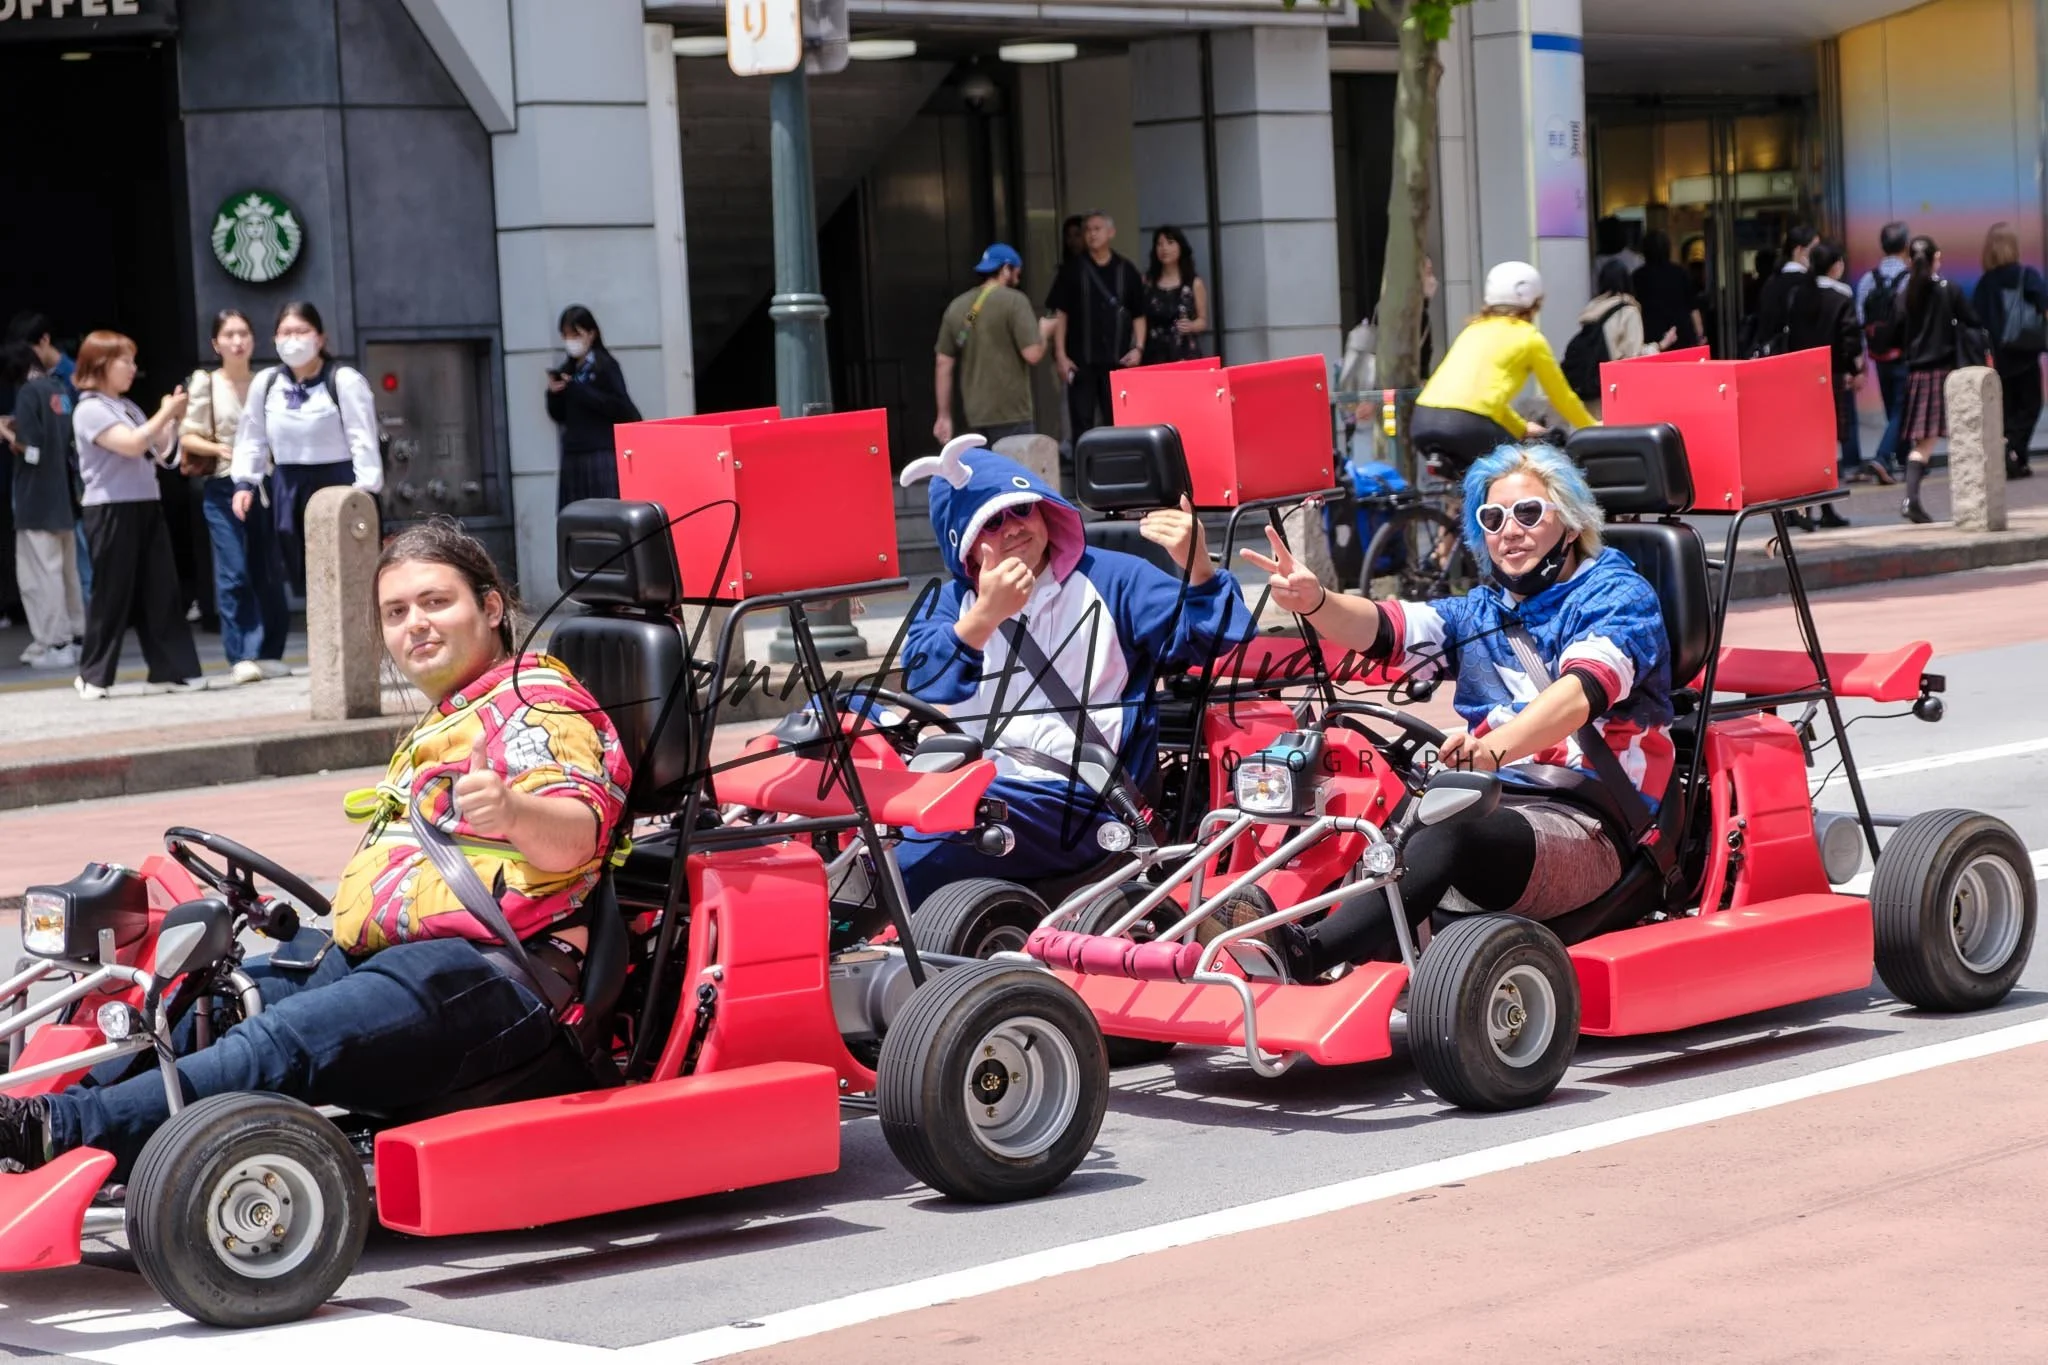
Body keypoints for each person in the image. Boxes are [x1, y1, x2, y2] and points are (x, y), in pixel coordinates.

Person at [0, 520, 632, 1174]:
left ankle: (54, 1129)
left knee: (280, 1041)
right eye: (397, 611)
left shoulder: (537, 700)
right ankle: (46, 1107)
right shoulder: (455, 711)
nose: (416, 623)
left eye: (436, 602)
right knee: (205, 996)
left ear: (491, 607)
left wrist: (511, 809)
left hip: (499, 972)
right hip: (394, 957)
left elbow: (575, 835)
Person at [1240, 442, 1673, 977]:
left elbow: (1580, 693)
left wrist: (1492, 748)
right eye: (1492, 518)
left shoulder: (1616, 595)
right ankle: (1251, 921)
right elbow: (1385, 627)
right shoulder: (1482, 610)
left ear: (1569, 521)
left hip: (1589, 820)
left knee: (1452, 826)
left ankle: (1305, 955)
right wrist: (1317, 602)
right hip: (1494, 801)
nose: (1509, 530)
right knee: (1355, 803)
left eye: (1528, 513)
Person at [894, 436, 1254, 902]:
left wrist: (1199, 567)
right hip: (980, 784)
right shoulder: (950, 603)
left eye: (1021, 509)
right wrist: (984, 616)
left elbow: (1218, 635)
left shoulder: (1113, 576)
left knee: (921, 846)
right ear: (963, 545)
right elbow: (924, 678)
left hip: (1089, 798)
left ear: (1044, 509)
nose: (1012, 528)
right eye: (991, 522)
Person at [69, 332, 202, 700]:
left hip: (145, 502)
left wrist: (171, 421)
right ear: (100, 364)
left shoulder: (127, 407)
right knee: (112, 592)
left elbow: (161, 452)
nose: (132, 369)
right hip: (110, 508)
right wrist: (165, 414)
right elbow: (130, 445)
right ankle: (93, 675)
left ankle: (172, 669)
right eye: (124, 361)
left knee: (160, 588)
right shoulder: (89, 408)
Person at [229, 302, 384, 597]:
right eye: (285, 332)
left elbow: (362, 438)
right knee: (306, 577)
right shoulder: (267, 382)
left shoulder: (343, 380)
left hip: (340, 484)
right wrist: (244, 482)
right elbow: (252, 436)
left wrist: (365, 492)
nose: (293, 339)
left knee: (349, 572)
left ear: (320, 338)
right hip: (288, 487)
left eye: (301, 331)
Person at [182, 309, 290, 685]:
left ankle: (271, 652)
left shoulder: (268, 381)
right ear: (216, 344)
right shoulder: (206, 383)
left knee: (270, 571)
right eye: (228, 335)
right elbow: (188, 435)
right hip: (223, 485)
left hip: (266, 484)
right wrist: (223, 452)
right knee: (234, 571)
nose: (237, 341)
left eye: (243, 333)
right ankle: (241, 653)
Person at [1410, 262, 1598, 476]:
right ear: (1534, 302)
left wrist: (1521, 428)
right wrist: (1591, 427)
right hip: (1467, 425)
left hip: (1422, 419)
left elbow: (1481, 400)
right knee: (1525, 473)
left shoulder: (1473, 330)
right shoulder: (1529, 338)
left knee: (1480, 483)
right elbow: (1561, 396)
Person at [6, 339, 84, 669]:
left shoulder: (26, 393)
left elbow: (32, 449)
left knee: (39, 575)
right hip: (63, 497)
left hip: (35, 500)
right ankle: (76, 636)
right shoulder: (59, 389)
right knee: (68, 573)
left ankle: (54, 642)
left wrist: (9, 435)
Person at [1897, 235, 1986, 524]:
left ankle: (1912, 498)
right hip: (1947, 373)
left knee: (1922, 444)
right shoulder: (1949, 290)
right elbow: (1973, 321)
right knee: (1966, 437)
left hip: (1917, 374)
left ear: (1910, 261)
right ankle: (1969, 504)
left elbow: (1895, 333)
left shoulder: (1906, 294)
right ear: (1937, 257)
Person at [1047, 211, 1148, 442]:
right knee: (1082, 423)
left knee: (1118, 421)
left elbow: (1139, 314)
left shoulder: (1126, 270)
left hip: (1117, 360)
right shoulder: (1072, 270)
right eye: (1087, 230)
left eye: (1097, 229)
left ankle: (1117, 471)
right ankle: (1085, 472)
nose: (1091, 234)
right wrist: (1061, 355)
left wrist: (1139, 348)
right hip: (1081, 360)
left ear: (1111, 233)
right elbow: (1060, 314)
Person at [1781, 241, 1862, 530]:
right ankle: (1825, 508)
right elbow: (1850, 339)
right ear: (1836, 265)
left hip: (1800, 376)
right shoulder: (1841, 296)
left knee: (1804, 444)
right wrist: (1855, 368)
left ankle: (1798, 509)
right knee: (1828, 445)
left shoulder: (1798, 295)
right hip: (1831, 376)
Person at [933, 244, 1047, 446]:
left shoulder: (957, 306)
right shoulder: (1015, 301)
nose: (1018, 279)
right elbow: (1033, 354)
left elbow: (943, 363)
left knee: (984, 475)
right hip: (1013, 413)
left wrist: (943, 416)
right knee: (1014, 475)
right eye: (1017, 273)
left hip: (974, 415)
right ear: (1005, 269)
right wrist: (1045, 331)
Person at [545, 304, 642, 510]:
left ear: (591, 333)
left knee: (604, 514)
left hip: (600, 453)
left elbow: (622, 408)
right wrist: (554, 394)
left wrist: (579, 389)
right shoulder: (568, 368)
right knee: (577, 519)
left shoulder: (605, 366)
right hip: (574, 454)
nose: (571, 341)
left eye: (575, 334)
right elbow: (559, 415)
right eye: (566, 335)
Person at [1971, 222, 2045, 480]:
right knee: (2031, 405)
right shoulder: (2027, 275)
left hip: (1997, 359)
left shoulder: (1984, 283)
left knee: (2006, 408)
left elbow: (1975, 321)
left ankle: (2014, 457)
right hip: (2024, 352)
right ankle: (2014, 450)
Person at [1855, 221, 1913, 483]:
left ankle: (1898, 459)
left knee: (1894, 407)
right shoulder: (1909, 279)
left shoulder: (1869, 278)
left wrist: (1863, 355)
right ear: (1905, 246)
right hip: (1903, 351)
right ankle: (1882, 456)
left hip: (1879, 353)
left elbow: (1859, 317)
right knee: (1903, 407)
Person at [1139, 226, 1209, 366]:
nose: (1164, 248)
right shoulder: (1147, 282)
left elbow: (1203, 321)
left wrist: (1191, 325)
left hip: (1183, 352)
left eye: (1170, 243)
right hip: (1153, 352)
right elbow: (1139, 317)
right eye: (1159, 244)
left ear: (1180, 247)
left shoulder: (1193, 283)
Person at [1749, 225, 1818, 358]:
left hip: (1772, 356)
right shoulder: (1807, 283)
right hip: (1799, 357)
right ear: (1799, 250)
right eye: (1815, 250)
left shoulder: (1771, 282)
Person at [1631, 230, 1703, 352]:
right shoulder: (1680, 273)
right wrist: (1700, 335)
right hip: (1682, 336)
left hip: (1650, 337)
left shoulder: (1637, 277)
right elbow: (1693, 308)